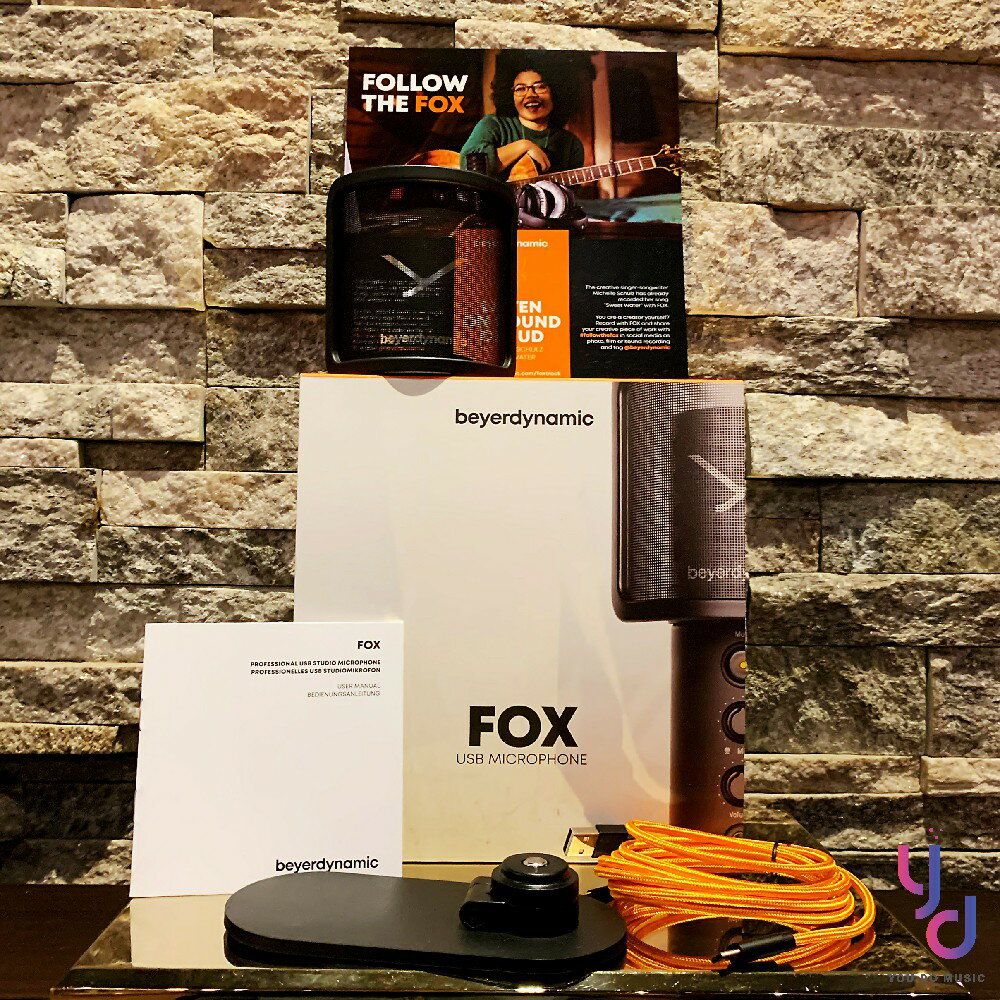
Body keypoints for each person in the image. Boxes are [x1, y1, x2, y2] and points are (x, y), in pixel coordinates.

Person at [460, 60, 585, 180]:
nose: (530, 95)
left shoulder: (571, 144)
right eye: (520, 89)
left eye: (540, 87)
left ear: (556, 92)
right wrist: (524, 146)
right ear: (510, 96)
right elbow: (469, 163)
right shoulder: (493, 125)